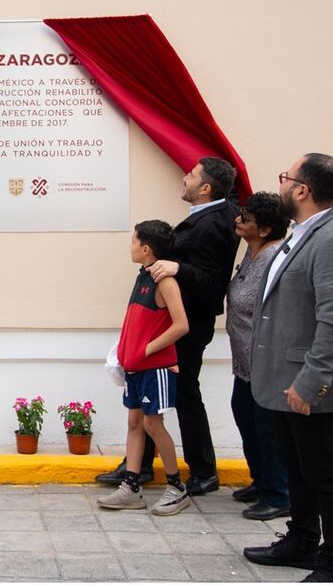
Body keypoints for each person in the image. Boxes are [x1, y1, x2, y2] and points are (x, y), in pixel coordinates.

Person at [242, 153, 333, 582]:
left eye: (286, 178)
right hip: (283, 379)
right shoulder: (304, 233)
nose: (280, 185)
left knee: (326, 476)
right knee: (297, 469)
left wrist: (309, 383)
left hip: (311, 385)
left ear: (303, 190)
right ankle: (300, 541)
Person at [97, 157, 240, 495]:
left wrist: (176, 268)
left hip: (184, 326)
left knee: (186, 394)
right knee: (148, 396)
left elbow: (211, 280)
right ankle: (140, 466)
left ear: (205, 188)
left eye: (192, 175)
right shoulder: (210, 217)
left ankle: (202, 471)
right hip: (166, 324)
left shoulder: (212, 223)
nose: (185, 178)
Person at [97, 220, 191, 516]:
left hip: (154, 369)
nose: (130, 246)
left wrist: (146, 350)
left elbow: (181, 325)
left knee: (152, 424)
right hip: (136, 368)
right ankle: (131, 488)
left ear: (146, 248)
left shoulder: (165, 281)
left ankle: (177, 487)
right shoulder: (144, 277)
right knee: (135, 424)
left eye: (133, 241)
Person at [226, 192, 292, 520]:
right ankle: (261, 480)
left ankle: (278, 494)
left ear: (264, 229)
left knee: (267, 428)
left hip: (266, 362)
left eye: (245, 219)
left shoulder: (274, 260)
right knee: (245, 417)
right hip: (244, 361)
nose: (238, 221)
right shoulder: (252, 253)